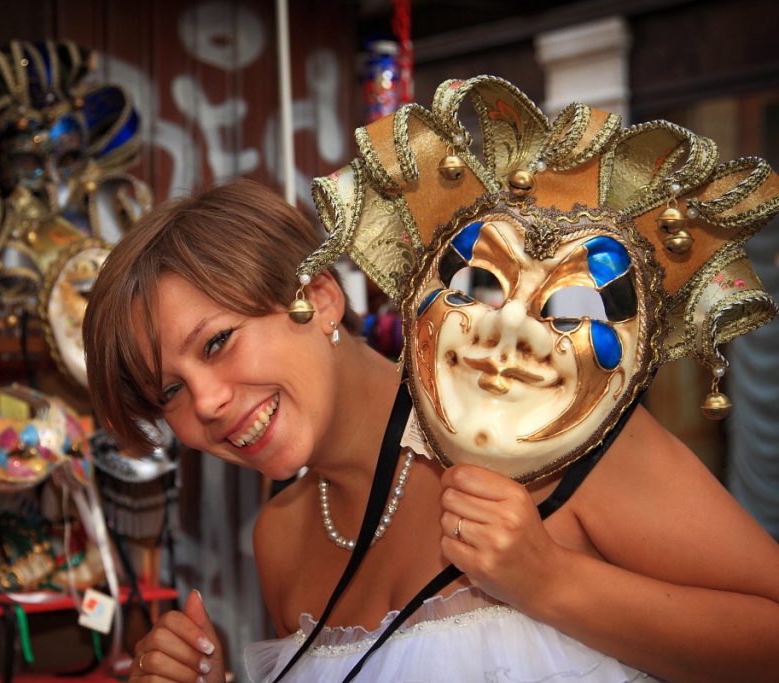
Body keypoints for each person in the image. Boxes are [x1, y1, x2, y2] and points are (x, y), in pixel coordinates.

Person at [83, 81, 779, 682]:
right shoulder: (282, 538)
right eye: (169, 391)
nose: (206, 402)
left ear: (318, 298)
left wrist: (550, 581)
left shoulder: (549, 428)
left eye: (217, 342)